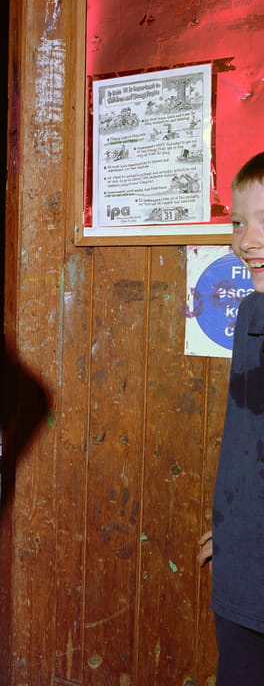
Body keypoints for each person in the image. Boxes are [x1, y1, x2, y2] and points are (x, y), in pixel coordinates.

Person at [198, 151, 264, 685]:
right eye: (239, 222)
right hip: (245, 566)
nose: (246, 241)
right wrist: (231, 530)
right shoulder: (252, 313)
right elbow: (245, 439)